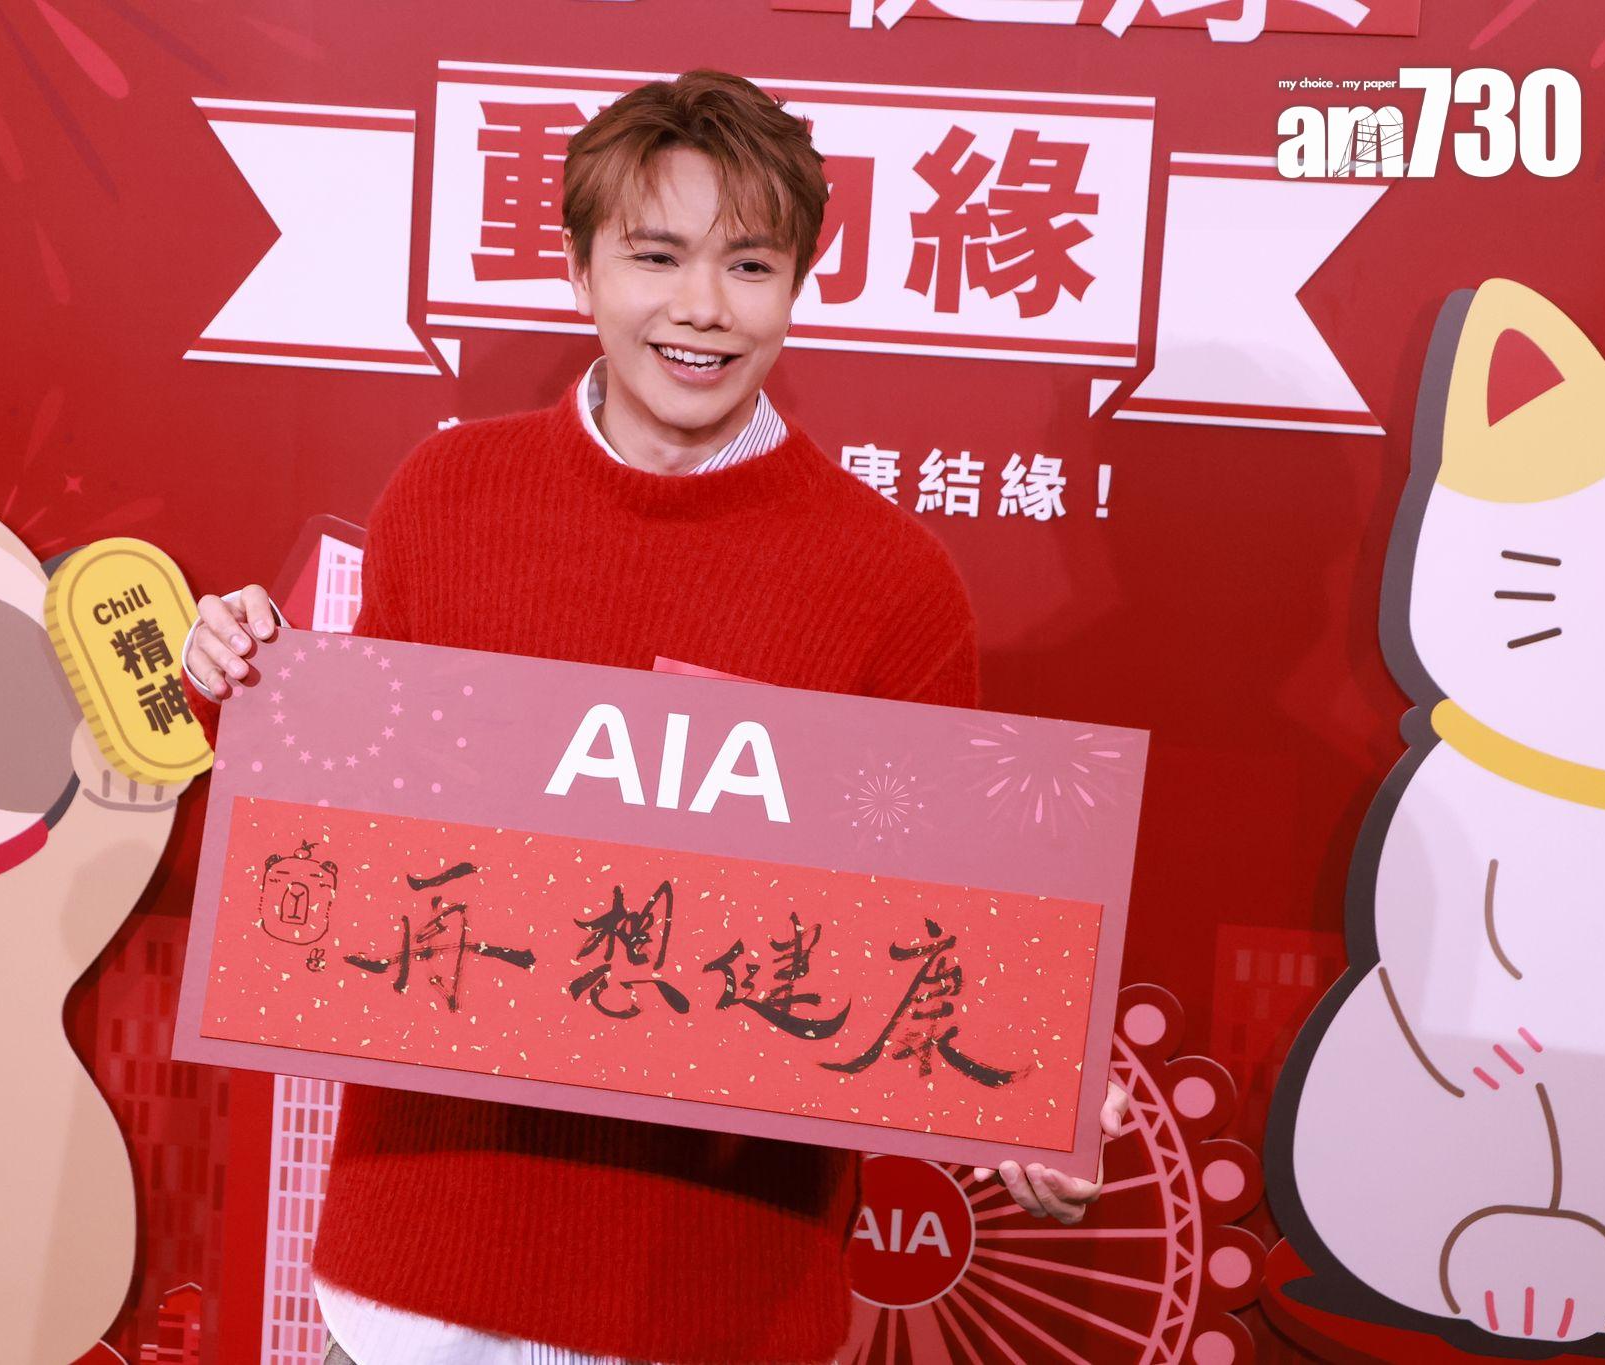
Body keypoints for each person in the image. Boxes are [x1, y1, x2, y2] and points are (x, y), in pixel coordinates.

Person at [183, 68, 1129, 1365]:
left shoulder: (891, 582)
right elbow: (352, 821)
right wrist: (246, 680)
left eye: (749, 265)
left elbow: (945, 921)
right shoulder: (447, 497)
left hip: (719, 1298)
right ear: (582, 272)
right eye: (657, 256)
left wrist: (1036, 1080)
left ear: (798, 287)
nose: (702, 307)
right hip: (417, 1282)